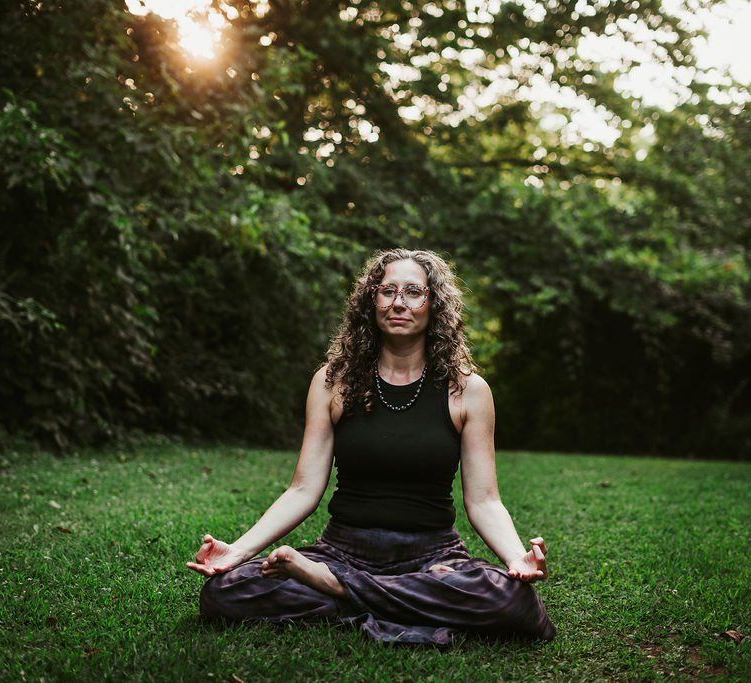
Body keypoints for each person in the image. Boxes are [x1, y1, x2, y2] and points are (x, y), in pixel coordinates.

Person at [187, 248, 556, 646]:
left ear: (435, 305)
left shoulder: (468, 391)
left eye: (414, 292)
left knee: (514, 601)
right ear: (371, 302)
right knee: (224, 592)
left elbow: (483, 501)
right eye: (387, 291)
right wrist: (237, 553)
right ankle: (381, 594)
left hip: (431, 557)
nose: (399, 302)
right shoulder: (333, 382)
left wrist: (516, 558)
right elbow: (303, 490)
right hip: (343, 548)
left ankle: (338, 590)